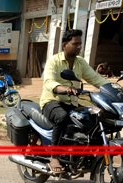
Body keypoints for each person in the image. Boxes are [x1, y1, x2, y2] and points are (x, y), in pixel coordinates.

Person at [40, 29, 109, 173]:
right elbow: (48, 82)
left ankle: (83, 153)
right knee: (62, 117)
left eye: (80, 44)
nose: (79, 47)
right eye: (75, 44)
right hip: (52, 101)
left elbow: (95, 79)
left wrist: (112, 88)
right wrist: (63, 88)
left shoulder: (80, 62)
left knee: (95, 116)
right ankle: (54, 156)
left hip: (72, 103)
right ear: (64, 44)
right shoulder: (54, 61)